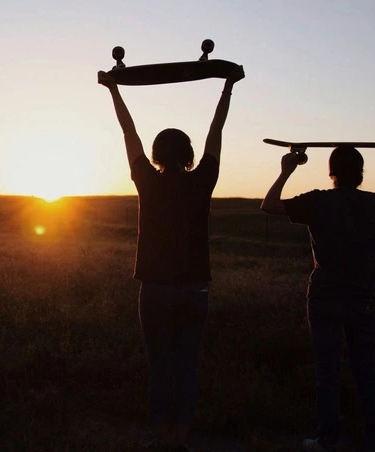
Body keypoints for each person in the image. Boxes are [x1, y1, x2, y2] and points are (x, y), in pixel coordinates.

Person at [98, 67, 244, 450]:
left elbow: (129, 133)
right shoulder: (203, 179)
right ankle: (181, 437)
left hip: (156, 289)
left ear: (156, 154)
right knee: (187, 365)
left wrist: (113, 90)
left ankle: (163, 438)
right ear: (190, 155)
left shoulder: (147, 180)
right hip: (195, 290)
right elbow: (216, 131)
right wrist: (227, 88)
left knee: (160, 364)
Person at [261, 146, 375, 452]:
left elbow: (269, 205)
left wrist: (287, 170)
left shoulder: (318, 201)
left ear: (331, 172)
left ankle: (327, 440)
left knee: (328, 372)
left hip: (324, 297)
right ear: (361, 174)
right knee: (366, 373)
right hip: (362, 299)